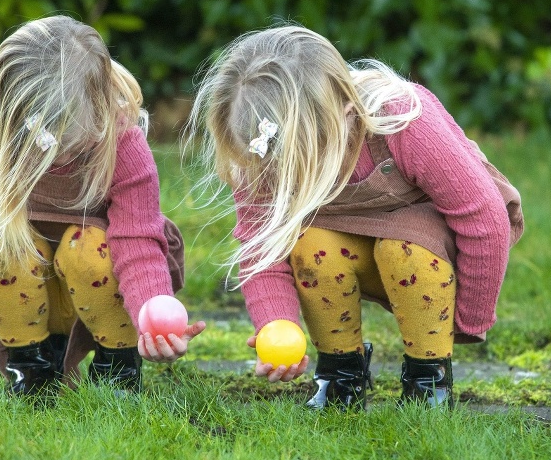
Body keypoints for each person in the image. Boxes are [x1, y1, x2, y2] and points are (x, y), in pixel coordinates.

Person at [186, 25, 522, 409]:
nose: (283, 170)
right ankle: (340, 374)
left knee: (403, 248)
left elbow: (484, 218)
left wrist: (469, 318)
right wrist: (276, 322)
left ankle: (428, 380)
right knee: (309, 245)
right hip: (353, 243)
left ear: (346, 114)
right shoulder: (263, 154)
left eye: (300, 160)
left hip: (432, 255)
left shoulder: (402, 121)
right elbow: (262, 247)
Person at [0, 15, 205, 397]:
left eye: (71, 144)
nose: (57, 156)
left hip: (99, 283)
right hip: (20, 287)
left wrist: (151, 312)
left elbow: (136, 240)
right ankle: (32, 369)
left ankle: (117, 367)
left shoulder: (122, 141)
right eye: (43, 143)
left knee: (86, 245)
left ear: (102, 104)